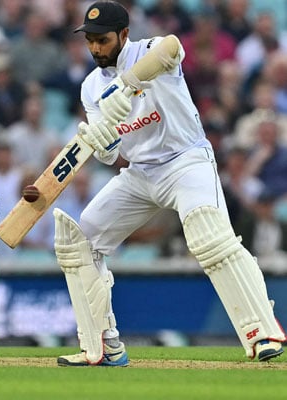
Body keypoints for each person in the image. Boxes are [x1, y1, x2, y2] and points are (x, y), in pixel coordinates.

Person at [54, 1, 285, 367]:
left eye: (103, 39)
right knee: (79, 241)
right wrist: (102, 139)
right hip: (140, 173)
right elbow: (111, 157)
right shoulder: (89, 87)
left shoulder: (149, 51)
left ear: (124, 35)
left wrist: (126, 87)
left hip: (186, 161)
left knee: (209, 235)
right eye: (90, 41)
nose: (96, 47)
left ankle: (262, 332)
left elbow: (173, 46)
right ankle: (102, 345)